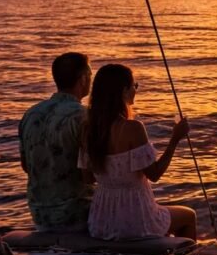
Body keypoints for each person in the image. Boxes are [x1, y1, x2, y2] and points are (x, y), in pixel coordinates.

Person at [80, 64, 197, 240]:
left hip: (101, 221)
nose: (135, 90)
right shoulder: (132, 128)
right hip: (137, 221)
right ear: (124, 91)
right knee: (189, 216)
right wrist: (175, 139)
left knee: (165, 212)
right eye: (134, 86)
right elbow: (155, 174)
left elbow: (87, 178)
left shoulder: (87, 129)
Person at [18, 52, 94, 232]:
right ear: (83, 79)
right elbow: (89, 174)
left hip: (40, 215)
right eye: (90, 75)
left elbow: (26, 166)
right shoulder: (83, 117)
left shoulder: (30, 114)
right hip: (78, 213)